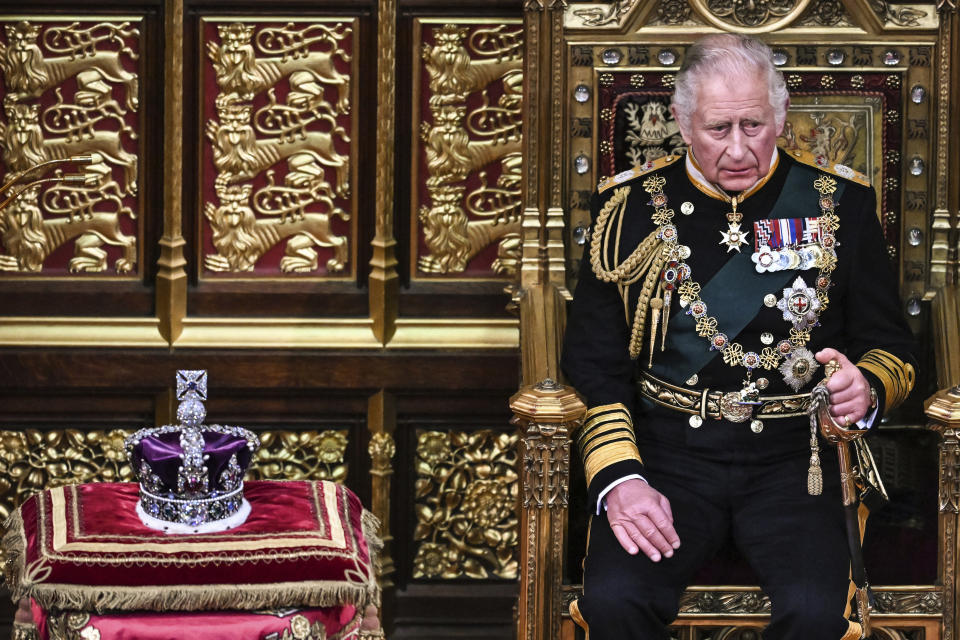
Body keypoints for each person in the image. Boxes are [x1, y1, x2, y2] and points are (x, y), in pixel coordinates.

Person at [561, 33, 917, 640]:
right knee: (617, 601)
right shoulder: (629, 211)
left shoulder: (842, 206)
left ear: (780, 118)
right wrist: (622, 479)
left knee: (814, 611)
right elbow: (593, 364)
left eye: (753, 125)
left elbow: (892, 347)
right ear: (681, 121)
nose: (736, 150)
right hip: (666, 457)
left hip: (795, 463)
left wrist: (867, 386)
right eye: (716, 128)